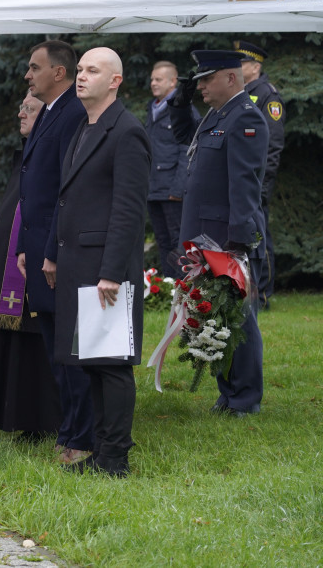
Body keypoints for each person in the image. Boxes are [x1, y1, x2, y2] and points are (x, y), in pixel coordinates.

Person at [55, 48, 150, 477]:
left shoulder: (125, 131)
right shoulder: (85, 126)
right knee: (90, 361)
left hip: (106, 270)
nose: (80, 77)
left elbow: (129, 211)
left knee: (111, 364)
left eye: (92, 71)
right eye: (79, 69)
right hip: (78, 262)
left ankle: (115, 458)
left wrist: (111, 272)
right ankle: (99, 449)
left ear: (114, 80)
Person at [168, 49, 267, 417]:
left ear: (230, 77)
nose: (200, 86)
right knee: (217, 317)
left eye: (206, 79)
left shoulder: (244, 117)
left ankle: (244, 398)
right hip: (205, 237)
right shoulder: (217, 114)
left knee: (238, 317)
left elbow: (244, 185)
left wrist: (238, 243)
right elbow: (182, 136)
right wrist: (180, 102)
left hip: (225, 239)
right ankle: (228, 394)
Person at [16, 40, 94, 466]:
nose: (28, 75)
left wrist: (49, 252)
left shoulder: (73, 114)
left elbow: (68, 192)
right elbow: (36, 186)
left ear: (58, 73)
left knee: (70, 350)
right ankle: (69, 430)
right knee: (54, 350)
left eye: (35, 67)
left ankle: (82, 436)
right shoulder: (49, 111)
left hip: (59, 252)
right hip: (42, 249)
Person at [0, 94, 61, 437]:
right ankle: (15, 417)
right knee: (12, 344)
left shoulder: (48, 156)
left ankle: (40, 421)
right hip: (9, 272)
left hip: (35, 269)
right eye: (20, 106)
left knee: (34, 345)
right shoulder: (25, 155)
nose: (20, 112)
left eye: (30, 108)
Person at [235, 41, 284, 307]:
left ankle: (263, 294)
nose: (239, 68)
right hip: (242, 180)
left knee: (260, 236)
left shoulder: (267, 95)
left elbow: (273, 145)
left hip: (257, 181)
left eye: (243, 63)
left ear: (255, 66)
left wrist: (262, 185)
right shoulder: (239, 93)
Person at [146, 61, 200, 279]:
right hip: (154, 187)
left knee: (179, 239)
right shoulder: (153, 108)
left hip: (172, 189)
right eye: (152, 79)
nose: (153, 83)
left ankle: (183, 284)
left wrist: (178, 188)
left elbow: (187, 150)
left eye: (158, 79)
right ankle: (168, 284)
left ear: (172, 81)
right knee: (162, 239)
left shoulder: (183, 109)